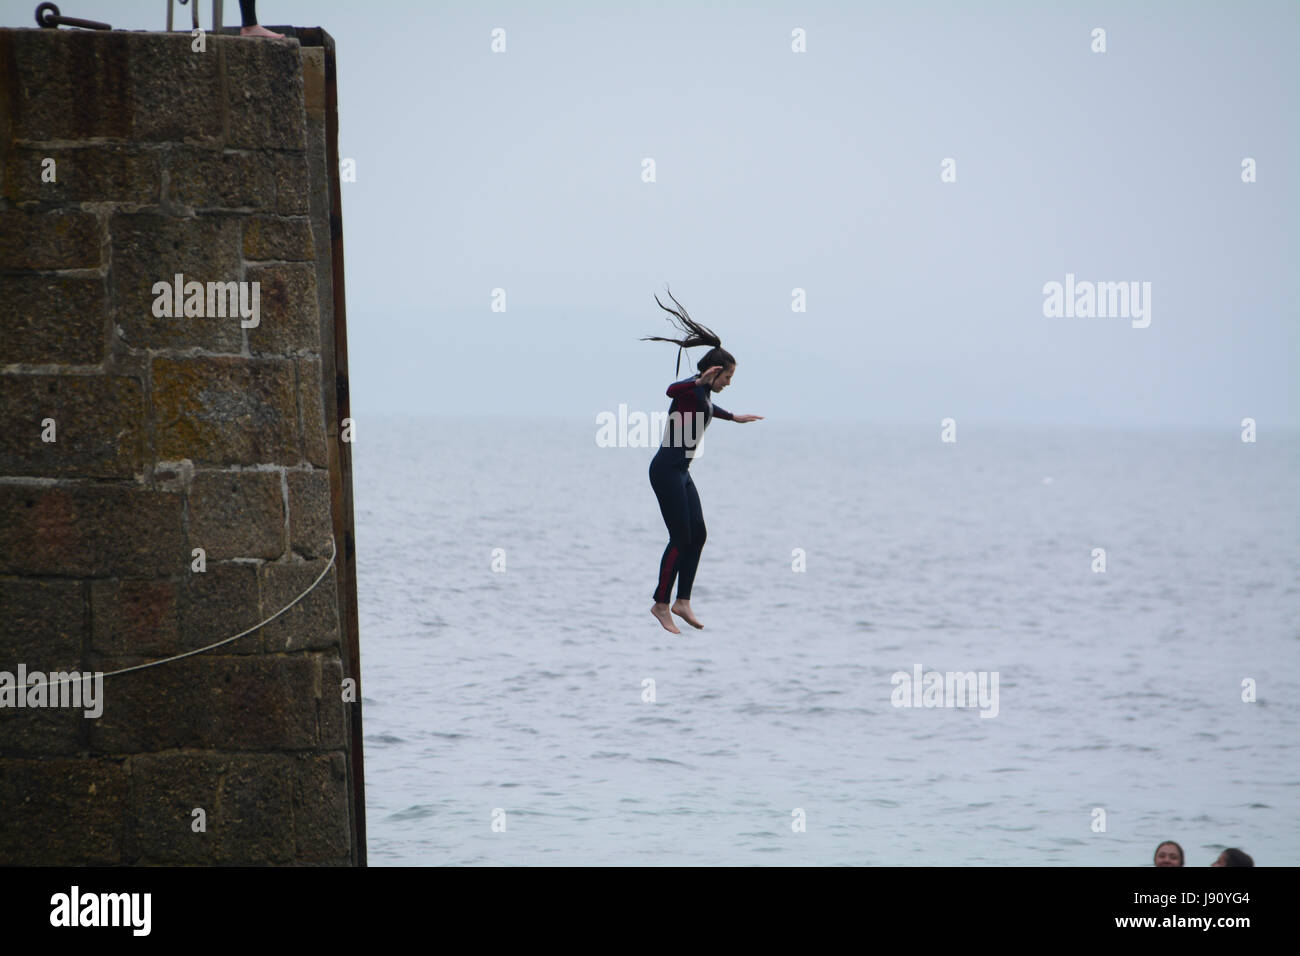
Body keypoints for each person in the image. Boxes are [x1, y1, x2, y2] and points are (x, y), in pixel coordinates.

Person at [641, 288, 763, 634]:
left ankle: (683, 601)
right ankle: (661, 604)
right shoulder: (691, 389)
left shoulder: (704, 395)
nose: (729, 383)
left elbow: (707, 407)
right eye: (727, 377)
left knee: (699, 533)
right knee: (680, 537)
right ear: (714, 372)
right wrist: (697, 380)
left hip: (681, 471)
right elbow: (671, 391)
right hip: (665, 470)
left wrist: (733, 417)